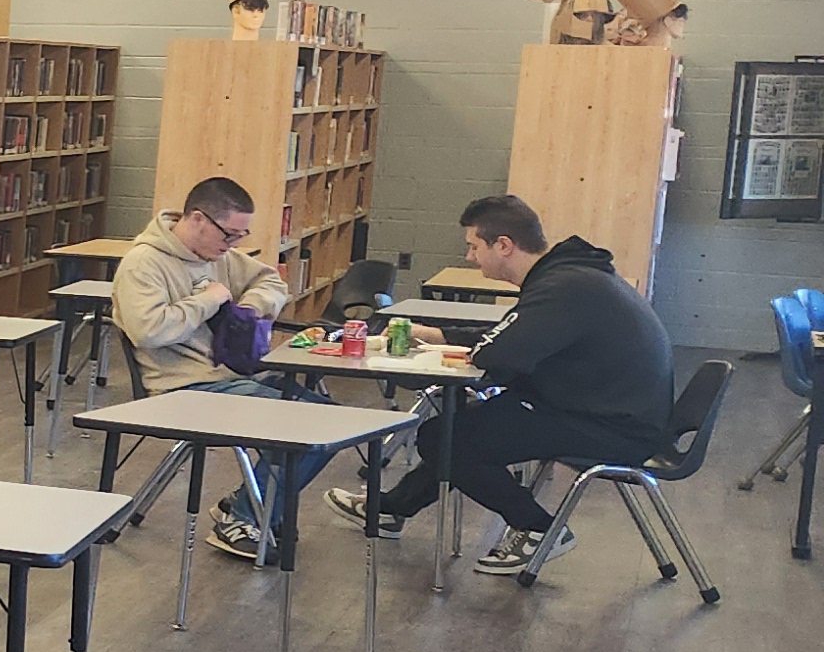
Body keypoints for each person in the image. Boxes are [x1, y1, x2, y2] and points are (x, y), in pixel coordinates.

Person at [327, 194, 676, 575]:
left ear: (504, 245)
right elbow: (511, 335)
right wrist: (438, 335)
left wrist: (472, 350)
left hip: (616, 429)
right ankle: (392, 510)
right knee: (456, 431)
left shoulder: (563, 287)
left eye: (474, 246)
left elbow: (500, 355)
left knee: (446, 438)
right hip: (605, 410)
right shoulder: (567, 277)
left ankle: (539, 529)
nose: (470, 257)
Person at [111, 176, 330, 562]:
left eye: (240, 236)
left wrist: (250, 306)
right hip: (183, 388)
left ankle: (248, 505)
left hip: (230, 378)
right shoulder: (143, 264)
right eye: (229, 234)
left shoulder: (220, 256)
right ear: (197, 219)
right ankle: (244, 517)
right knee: (301, 427)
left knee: (328, 421)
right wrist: (208, 301)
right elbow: (147, 331)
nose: (233, 245)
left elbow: (270, 280)